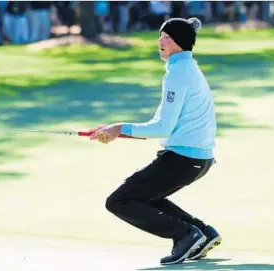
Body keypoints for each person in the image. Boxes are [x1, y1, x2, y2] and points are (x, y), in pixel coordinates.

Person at [90, 17, 221, 265]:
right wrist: (116, 131)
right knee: (147, 196)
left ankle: (185, 235)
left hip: (183, 159)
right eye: (160, 36)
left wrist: (118, 128)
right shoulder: (185, 68)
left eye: (167, 37)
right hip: (196, 159)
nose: (160, 41)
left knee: (119, 201)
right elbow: (161, 123)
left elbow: (162, 127)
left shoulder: (178, 73)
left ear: (181, 43)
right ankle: (202, 233)